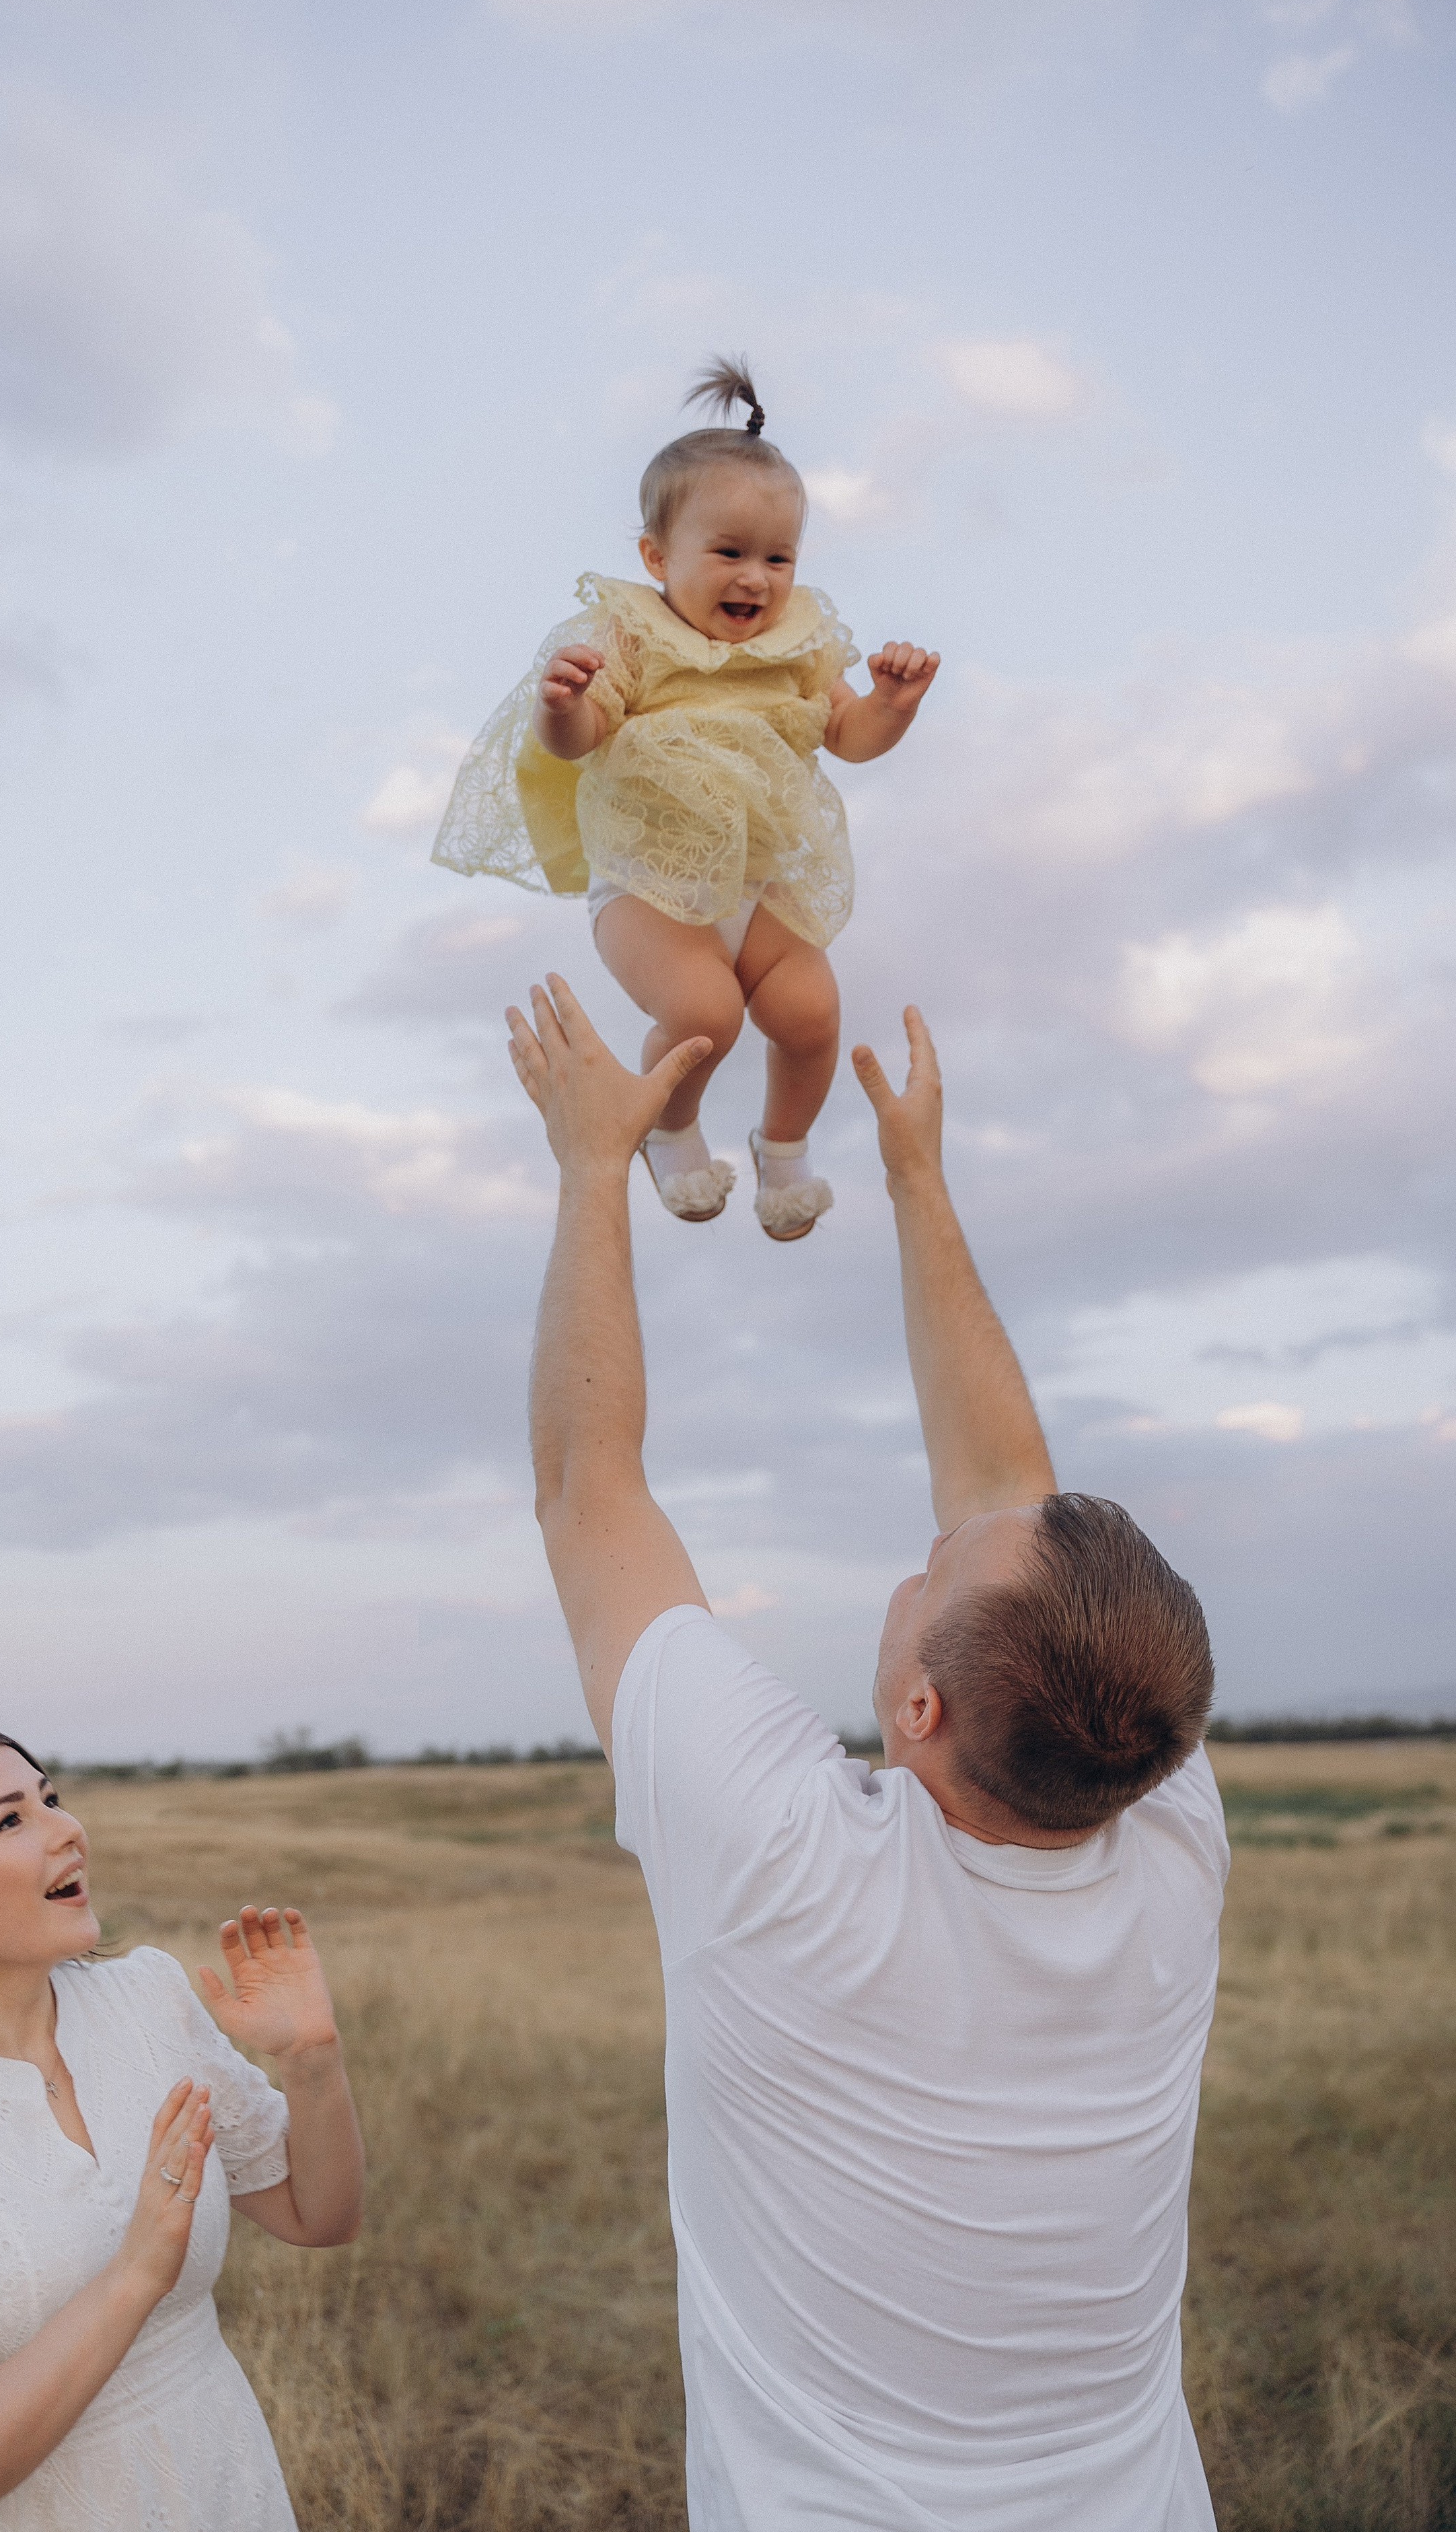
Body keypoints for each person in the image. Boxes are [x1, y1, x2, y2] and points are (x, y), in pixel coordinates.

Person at [503, 977, 1226, 2532]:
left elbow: (585, 1484)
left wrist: (585, 1167)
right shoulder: (1159, 1816)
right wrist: (910, 1176)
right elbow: (1007, 1489)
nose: (932, 1543)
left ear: (921, 1713)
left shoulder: (783, 1864)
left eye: (938, 1571)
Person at [0, 1726, 364, 2532]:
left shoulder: (146, 2000)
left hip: (221, 2482)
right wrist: (133, 2276)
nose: (67, 1828)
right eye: (10, 1820)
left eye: (51, 1798)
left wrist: (313, 2061)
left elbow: (317, 2216)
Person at [435, 356, 938, 1240]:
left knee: (810, 1015)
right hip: (652, 881)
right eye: (730, 553)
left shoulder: (803, 643)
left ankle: (784, 1152)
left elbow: (849, 737)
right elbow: (584, 737)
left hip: (767, 878)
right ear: (657, 557)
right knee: (707, 1015)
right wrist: (562, 707)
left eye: (778, 557)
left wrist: (892, 704)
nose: (756, 579)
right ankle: (669, 1128)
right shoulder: (633, 634)